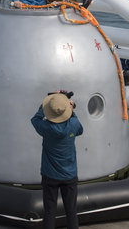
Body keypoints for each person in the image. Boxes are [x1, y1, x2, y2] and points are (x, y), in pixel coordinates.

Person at [31, 92, 83, 229]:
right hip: (70, 175)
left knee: (49, 212)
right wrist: (71, 110)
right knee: (71, 211)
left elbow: (35, 119)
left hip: (50, 175)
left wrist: (46, 106)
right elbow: (80, 130)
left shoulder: (46, 127)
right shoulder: (73, 123)